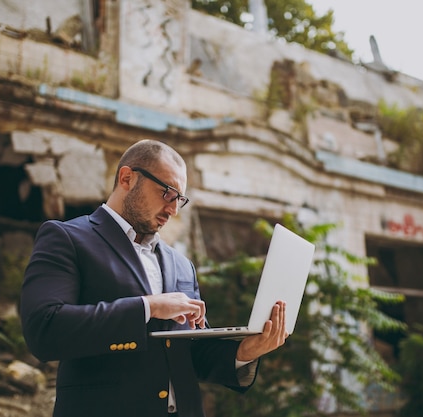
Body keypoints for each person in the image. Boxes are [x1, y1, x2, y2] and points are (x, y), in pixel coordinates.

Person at [20, 139, 288, 417]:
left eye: (179, 200)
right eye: (167, 193)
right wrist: (148, 306)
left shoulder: (182, 265)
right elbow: (45, 330)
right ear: (127, 178)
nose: (173, 209)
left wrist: (247, 350)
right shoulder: (67, 238)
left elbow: (192, 355)